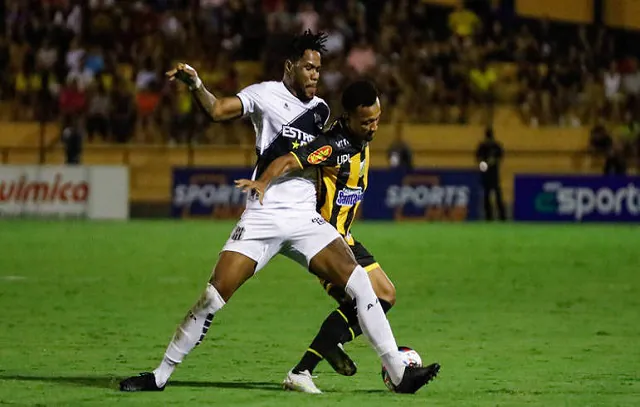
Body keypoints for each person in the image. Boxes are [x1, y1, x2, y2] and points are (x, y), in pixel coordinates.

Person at [119, 31, 439, 395]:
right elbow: (217, 109)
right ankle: (159, 375)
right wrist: (196, 85)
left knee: (362, 284)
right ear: (290, 67)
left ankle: (399, 375)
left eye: (318, 68)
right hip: (264, 215)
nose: (315, 75)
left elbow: (325, 152)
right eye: (308, 67)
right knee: (213, 295)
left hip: (305, 217)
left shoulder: (320, 111)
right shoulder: (263, 95)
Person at [235, 80, 437, 394]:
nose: (374, 126)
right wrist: (262, 182)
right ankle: (310, 367)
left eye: (377, 118)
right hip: (326, 241)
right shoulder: (332, 145)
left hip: (347, 237)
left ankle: (321, 356)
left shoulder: (359, 136)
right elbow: (290, 159)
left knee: (381, 296)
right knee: (376, 295)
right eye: (366, 121)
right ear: (349, 118)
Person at [475, 126, 506, 221]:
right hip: (486, 175)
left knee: (496, 196)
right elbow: (479, 160)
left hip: (494, 175)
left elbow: (500, 157)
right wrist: (485, 163)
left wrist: (494, 161)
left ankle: (501, 216)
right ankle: (490, 217)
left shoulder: (496, 146)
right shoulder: (483, 147)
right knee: (488, 196)